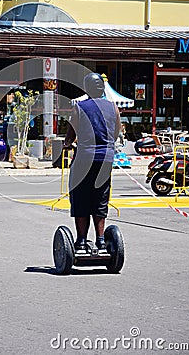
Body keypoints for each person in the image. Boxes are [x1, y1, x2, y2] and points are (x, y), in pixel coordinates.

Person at [63, 73, 121, 252]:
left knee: (80, 198)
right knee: (100, 200)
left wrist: (67, 144)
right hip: (106, 159)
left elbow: (71, 135)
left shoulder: (79, 107)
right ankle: (101, 241)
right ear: (102, 88)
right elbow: (116, 132)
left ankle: (81, 241)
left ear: (86, 88)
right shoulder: (113, 107)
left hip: (84, 159)